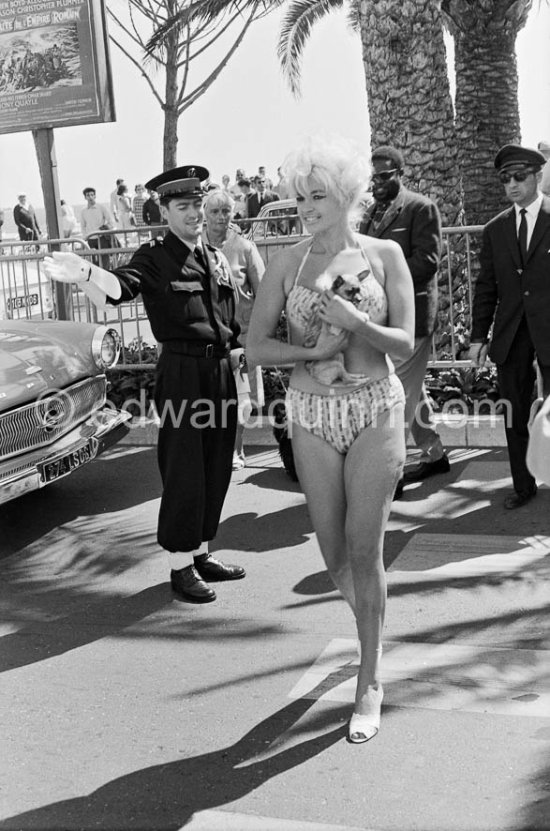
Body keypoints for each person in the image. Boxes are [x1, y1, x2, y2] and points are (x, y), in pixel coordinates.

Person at [247, 136, 414, 742]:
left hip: (374, 409)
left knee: (365, 552)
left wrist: (357, 323)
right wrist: (312, 349)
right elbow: (256, 344)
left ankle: (369, 676)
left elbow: (406, 342)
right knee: (334, 556)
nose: (307, 206)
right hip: (310, 412)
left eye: (318, 195)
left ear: (347, 196)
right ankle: (371, 623)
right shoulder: (288, 261)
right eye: (300, 196)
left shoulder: (386, 254)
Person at [44, 166, 246, 604]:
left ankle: (201, 551)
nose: (194, 213)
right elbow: (121, 288)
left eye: (197, 204)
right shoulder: (156, 256)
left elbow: (229, 325)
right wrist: (85, 274)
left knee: (216, 466)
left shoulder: (213, 256)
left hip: (219, 375)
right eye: (183, 206)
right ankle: (179, 564)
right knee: (185, 471)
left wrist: (242, 384)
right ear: (164, 209)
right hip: (182, 374)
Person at [359, 145, 449, 498]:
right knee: (411, 392)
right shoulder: (368, 215)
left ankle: (389, 476)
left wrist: (379, 278)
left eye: (385, 176)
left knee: (395, 397)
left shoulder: (420, 208)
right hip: (381, 322)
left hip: (412, 321)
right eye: (373, 177)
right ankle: (435, 453)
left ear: (400, 173)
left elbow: (427, 262)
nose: (377, 183)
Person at [468, 143, 550, 509]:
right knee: (514, 410)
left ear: (538, 176)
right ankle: (524, 485)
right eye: (505, 178)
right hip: (512, 331)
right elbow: (486, 287)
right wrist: (477, 337)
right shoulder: (495, 229)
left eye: (519, 176)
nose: (512, 184)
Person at [203, 189, 266, 469]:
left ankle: (236, 451)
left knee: (241, 395)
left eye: (225, 211)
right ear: (204, 213)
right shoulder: (193, 245)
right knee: (209, 398)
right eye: (214, 211)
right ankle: (211, 450)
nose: (220, 217)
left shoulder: (245, 247)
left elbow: (264, 293)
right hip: (205, 339)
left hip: (240, 338)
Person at [80, 187, 116, 269]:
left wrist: (105, 228)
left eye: (92, 195)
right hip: (90, 239)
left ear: (95, 196)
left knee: (105, 262)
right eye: (88, 195)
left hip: (102, 238)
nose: (90, 197)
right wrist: (85, 237)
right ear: (85, 197)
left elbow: (111, 221)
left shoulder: (101, 207)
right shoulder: (83, 211)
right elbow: (82, 226)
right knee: (94, 262)